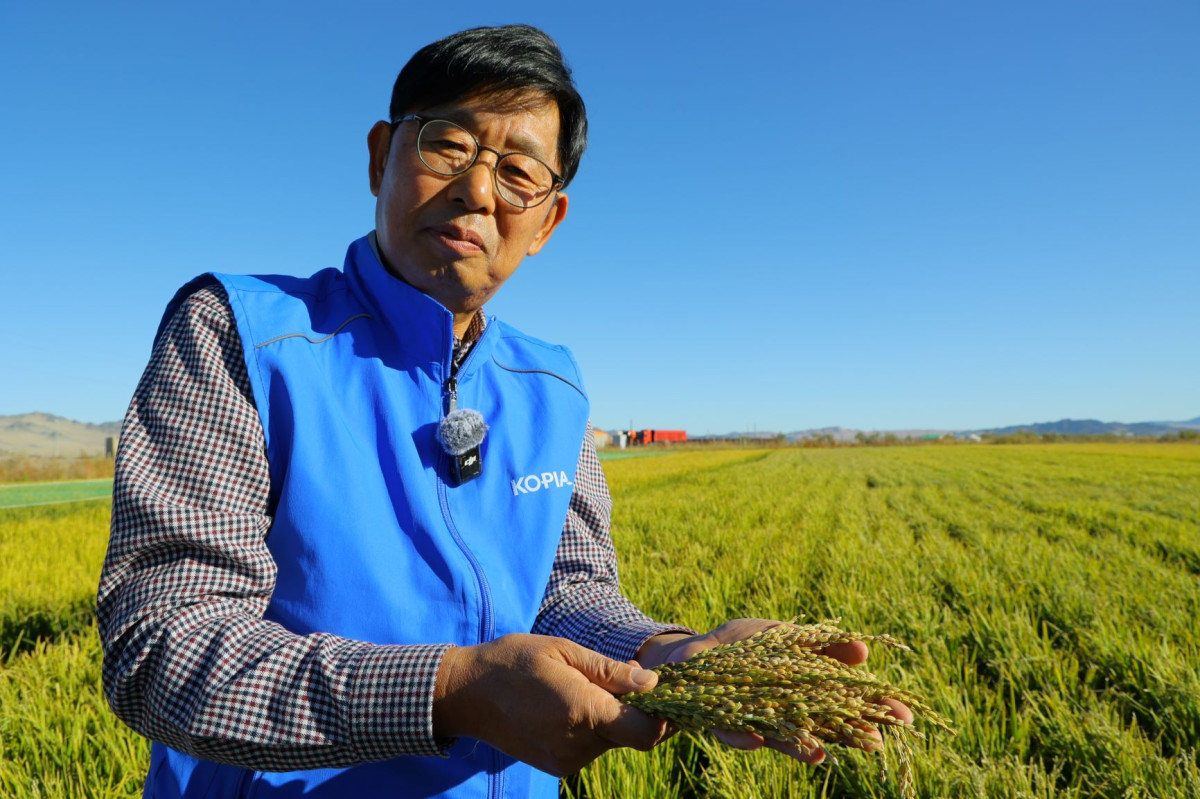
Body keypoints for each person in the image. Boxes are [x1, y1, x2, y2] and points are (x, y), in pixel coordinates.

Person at [97, 24, 908, 799]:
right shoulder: (239, 334)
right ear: (382, 156)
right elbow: (162, 644)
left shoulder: (552, 386)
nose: (478, 189)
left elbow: (566, 591)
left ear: (548, 221)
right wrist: (449, 692)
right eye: (449, 142)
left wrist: (674, 654)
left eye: (520, 172)